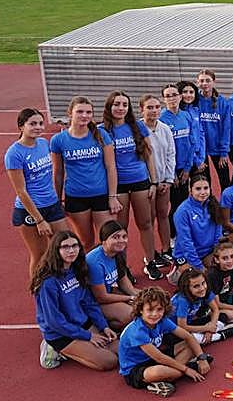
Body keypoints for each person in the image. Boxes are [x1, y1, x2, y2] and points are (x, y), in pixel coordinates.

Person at [33, 231, 119, 371]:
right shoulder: (48, 282)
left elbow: (89, 303)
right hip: (60, 332)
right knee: (109, 361)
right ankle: (55, 349)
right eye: (65, 247)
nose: (71, 250)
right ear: (56, 250)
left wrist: (104, 326)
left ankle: (82, 346)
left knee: (120, 350)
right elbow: (54, 321)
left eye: (74, 246)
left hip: (81, 322)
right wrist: (88, 336)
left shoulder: (77, 269)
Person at [102, 91, 163, 279]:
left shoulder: (137, 127)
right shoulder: (102, 130)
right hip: (118, 185)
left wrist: (153, 181)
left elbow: (148, 155)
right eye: (116, 104)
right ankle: (122, 268)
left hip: (140, 181)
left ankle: (150, 261)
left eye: (124, 105)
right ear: (109, 107)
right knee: (120, 228)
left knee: (145, 223)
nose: (120, 108)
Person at [7, 107, 67, 277]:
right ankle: (37, 290)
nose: (38, 127)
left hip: (52, 204)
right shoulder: (14, 154)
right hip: (30, 211)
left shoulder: (43, 143)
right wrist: (39, 220)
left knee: (64, 243)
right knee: (40, 255)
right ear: (21, 127)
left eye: (40, 123)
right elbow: (21, 191)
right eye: (32, 124)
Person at [50, 96, 117, 250]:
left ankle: (111, 272)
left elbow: (111, 167)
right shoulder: (58, 140)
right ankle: (86, 273)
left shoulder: (100, 135)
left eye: (88, 112)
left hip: (101, 195)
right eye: (80, 112)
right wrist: (58, 199)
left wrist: (112, 196)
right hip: (76, 197)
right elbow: (58, 172)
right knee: (86, 242)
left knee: (107, 241)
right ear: (70, 113)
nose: (84, 116)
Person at [117, 287, 208, 398]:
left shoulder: (163, 321)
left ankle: (171, 376)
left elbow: (188, 336)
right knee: (158, 372)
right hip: (135, 369)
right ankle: (187, 368)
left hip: (154, 359)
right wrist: (186, 369)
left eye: (159, 309)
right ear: (141, 310)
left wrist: (202, 357)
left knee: (189, 346)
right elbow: (159, 357)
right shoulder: (137, 331)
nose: (155, 314)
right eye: (150, 310)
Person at [160, 84, 202, 236]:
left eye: (174, 95)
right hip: (170, 170)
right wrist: (170, 174)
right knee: (172, 205)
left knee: (183, 203)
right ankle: (172, 236)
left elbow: (192, 143)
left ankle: (183, 232)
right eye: (168, 96)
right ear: (164, 99)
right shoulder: (162, 119)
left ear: (179, 97)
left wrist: (187, 168)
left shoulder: (186, 116)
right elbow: (162, 150)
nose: (172, 98)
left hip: (185, 168)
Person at [140, 95, 176, 267]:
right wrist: (151, 181)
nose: (154, 111)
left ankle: (166, 249)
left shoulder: (165, 129)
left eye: (156, 107)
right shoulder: (138, 130)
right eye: (149, 107)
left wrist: (168, 179)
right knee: (149, 218)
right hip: (145, 182)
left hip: (164, 180)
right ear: (142, 109)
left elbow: (171, 154)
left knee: (163, 214)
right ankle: (150, 254)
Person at [85, 220, 137, 329]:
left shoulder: (118, 252)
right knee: (132, 315)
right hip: (92, 303)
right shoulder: (94, 261)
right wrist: (128, 298)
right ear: (104, 241)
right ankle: (96, 325)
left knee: (148, 301)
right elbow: (101, 297)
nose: (121, 241)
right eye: (115, 237)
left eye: (124, 236)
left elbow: (123, 281)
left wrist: (138, 297)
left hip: (107, 295)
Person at [171, 267, 233, 344]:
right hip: (174, 330)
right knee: (187, 339)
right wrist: (206, 328)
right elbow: (182, 326)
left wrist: (211, 326)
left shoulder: (206, 291)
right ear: (187, 288)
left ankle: (207, 335)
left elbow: (215, 309)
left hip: (190, 322)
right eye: (196, 286)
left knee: (226, 315)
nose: (202, 288)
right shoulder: (182, 301)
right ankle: (219, 335)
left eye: (203, 283)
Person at [171, 174, 224, 274]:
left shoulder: (213, 205)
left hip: (208, 253)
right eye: (198, 189)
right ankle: (176, 270)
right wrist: (198, 266)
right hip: (186, 256)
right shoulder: (182, 212)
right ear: (190, 190)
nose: (203, 192)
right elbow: (186, 242)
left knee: (227, 264)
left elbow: (218, 234)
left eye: (206, 188)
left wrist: (218, 253)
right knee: (198, 282)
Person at [195, 69, 232, 190]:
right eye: (201, 81)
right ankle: (208, 206)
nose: (204, 83)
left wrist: (224, 152)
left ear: (213, 82)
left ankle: (226, 206)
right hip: (201, 149)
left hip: (218, 148)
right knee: (204, 181)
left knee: (225, 181)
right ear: (197, 82)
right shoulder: (195, 101)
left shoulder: (223, 103)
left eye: (207, 80)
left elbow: (226, 129)